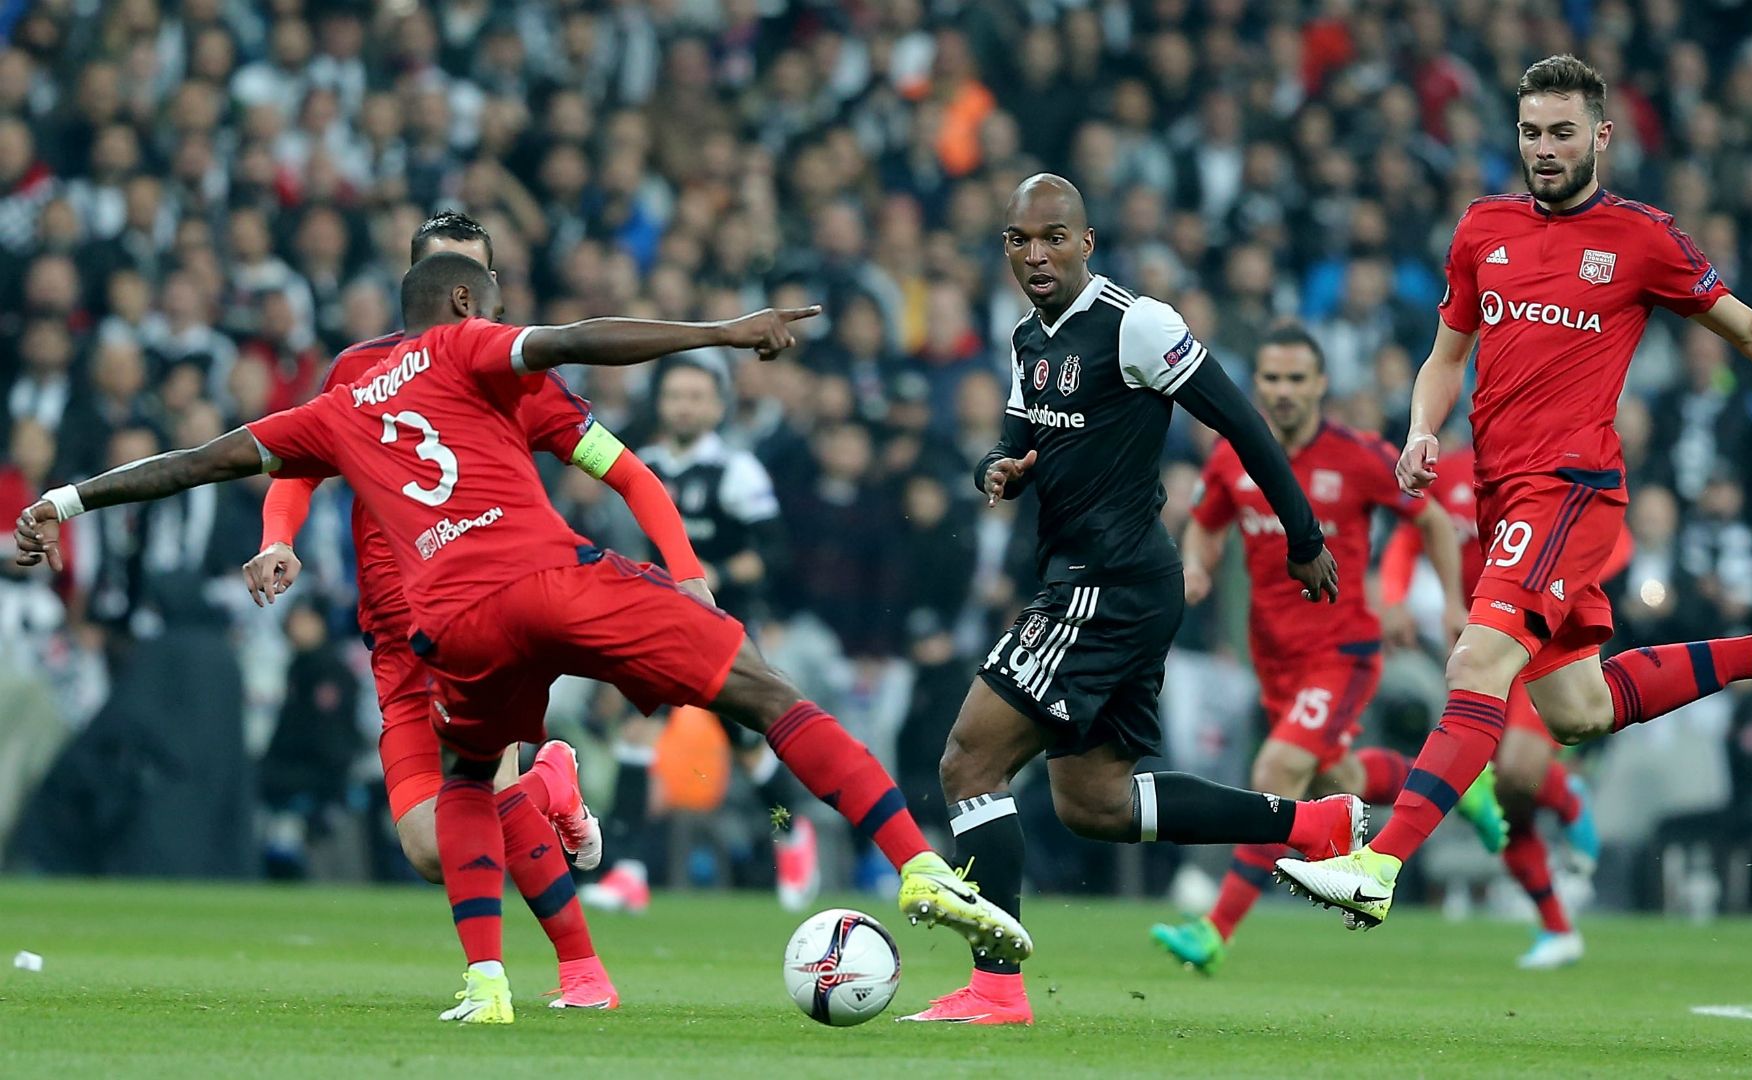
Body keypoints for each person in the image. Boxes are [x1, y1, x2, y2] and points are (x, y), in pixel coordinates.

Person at [15, 253, 1030, 1026]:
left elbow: (199, 461)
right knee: (765, 695)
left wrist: (65, 498)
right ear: (465, 306)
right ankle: (911, 860)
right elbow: (579, 338)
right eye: (489, 298)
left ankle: (490, 980)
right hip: (555, 579)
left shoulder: (332, 408)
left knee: (467, 779)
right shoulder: (467, 350)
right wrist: (721, 331)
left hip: (450, 626)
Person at [1277, 55, 1752, 929]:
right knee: (1578, 708)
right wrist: (1422, 430)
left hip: (1571, 490)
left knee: (1475, 661)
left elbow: (1749, 328)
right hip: (1502, 493)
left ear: (1601, 136)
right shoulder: (1481, 228)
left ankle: (1378, 865)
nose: (1544, 149)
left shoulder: (1643, 238)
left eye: (1562, 132)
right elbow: (1445, 357)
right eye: (1531, 132)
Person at [902, 174, 1356, 1026]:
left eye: (1053, 237)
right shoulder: (1026, 339)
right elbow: (1015, 438)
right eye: (1019, 241)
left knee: (968, 761)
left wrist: (1303, 536)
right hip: (1096, 581)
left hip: (1109, 584)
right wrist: (995, 467)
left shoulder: (1137, 323)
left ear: (1087, 241)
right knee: (1096, 804)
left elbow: (1243, 421)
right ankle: (1314, 827)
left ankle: (997, 991)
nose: (1036, 255)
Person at [239, 211, 710, 1008]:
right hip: (393, 634)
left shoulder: (513, 375)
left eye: (475, 275)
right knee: (430, 850)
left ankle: (578, 973)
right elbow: (295, 461)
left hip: (484, 617)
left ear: (486, 292)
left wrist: (686, 570)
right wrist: (277, 535)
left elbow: (624, 470)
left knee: (487, 791)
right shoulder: (358, 371)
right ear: (422, 283)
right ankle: (554, 784)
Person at [1147, 325, 1505, 975]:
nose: (1282, 392)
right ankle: (1462, 784)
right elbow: (1204, 524)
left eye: (1295, 379)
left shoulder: (1358, 456)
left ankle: (1214, 930)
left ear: (1320, 385)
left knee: (1275, 774)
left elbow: (1426, 518)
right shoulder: (1234, 456)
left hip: (1341, 651)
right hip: (1274, 658)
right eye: (1271, 379)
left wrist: (1456, 603)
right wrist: (1197, 567)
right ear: (1256, 384)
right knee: (1333, 781)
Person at [584, 357, 817, 916]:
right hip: (660, 629)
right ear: (660, 405)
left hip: (723, 630)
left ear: (717, 406)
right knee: (635, 740)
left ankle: (792, 834)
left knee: (749, 750)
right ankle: (630, 871)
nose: (685, 405)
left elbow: (777, 556)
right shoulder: (643, 468)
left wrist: (719, 575)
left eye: (696, 396)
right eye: (675, 396)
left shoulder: (737, 472)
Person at [1377, 437, 1612, 968]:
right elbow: (1407, 540)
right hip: (1477, 644)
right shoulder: (1450, 471)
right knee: (1498, 795)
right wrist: (1396, 600)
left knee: (1516, 771)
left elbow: (1614, 543)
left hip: (1541, 631)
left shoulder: (1558, 467)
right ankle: (1556, 926)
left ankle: (1565, 792)